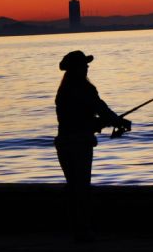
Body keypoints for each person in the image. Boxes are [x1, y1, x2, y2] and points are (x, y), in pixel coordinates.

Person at [54, 50, 131, 241]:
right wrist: (118, 121)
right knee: (81, 187)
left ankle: (77, 229)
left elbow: (77, 118)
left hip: (64, 143)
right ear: (77, 68)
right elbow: (101, 110)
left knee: (74, 186)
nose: (88, 67)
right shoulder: (85, 89)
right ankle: (84, 231)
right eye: (84, 64)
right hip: (79, 144)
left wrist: (103, 122)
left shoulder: (63, 91)